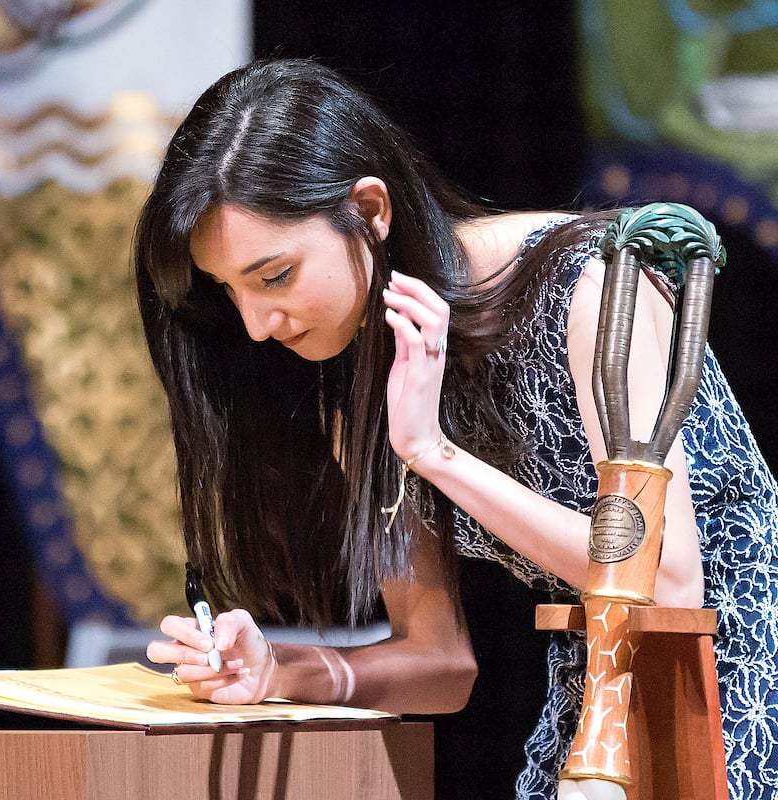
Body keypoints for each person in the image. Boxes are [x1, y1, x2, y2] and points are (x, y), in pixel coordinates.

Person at [134, 59, 778, 799]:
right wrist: (280, 669)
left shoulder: (594, 287)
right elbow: (441, 664)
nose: (254, 325)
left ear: (371, 210)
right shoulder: (367, 385)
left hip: (740, 680)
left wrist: (434, 454)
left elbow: (667, 584)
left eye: (274, 276)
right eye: (229, 290)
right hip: (599, 689)